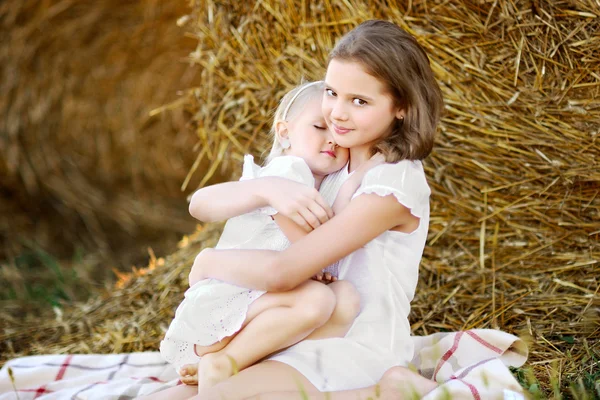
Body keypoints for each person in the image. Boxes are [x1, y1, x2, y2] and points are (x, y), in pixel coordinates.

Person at [142, 19, 444, 400]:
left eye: (360, 101)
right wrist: (268, 187)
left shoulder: (392, 184)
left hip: (352, 344)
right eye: (332, 92)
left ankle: (382, 389)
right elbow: (203, 203)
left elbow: (285, 272)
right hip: (298, 329)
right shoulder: (333, 161)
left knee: (214, 396)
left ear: (401, 107)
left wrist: (207, 263)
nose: (337, 113)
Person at [159, 81, 381, 392]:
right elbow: (315, 246)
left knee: (342, 297)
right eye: (319, 126)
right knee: (318, 299)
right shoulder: (287, 173)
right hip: (224, 309)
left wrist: (358, 174)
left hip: (249, 313)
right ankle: (229, 363)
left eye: (339, 133)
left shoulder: (319, 184)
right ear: (284, 131)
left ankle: (236, 369)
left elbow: (334, 231)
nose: (331, 138)